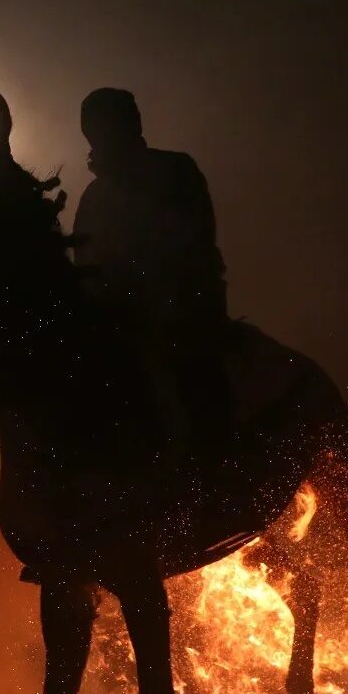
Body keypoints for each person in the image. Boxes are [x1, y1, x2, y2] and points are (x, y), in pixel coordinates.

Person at [71, 88, 231, 457]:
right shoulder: (92, 197)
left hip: (180, 313)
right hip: (116, 320)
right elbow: (84, 265)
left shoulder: (174, 171)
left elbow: (191, 245)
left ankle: (220, 474)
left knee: (194, 384)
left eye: (105, 125)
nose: (100, 136)